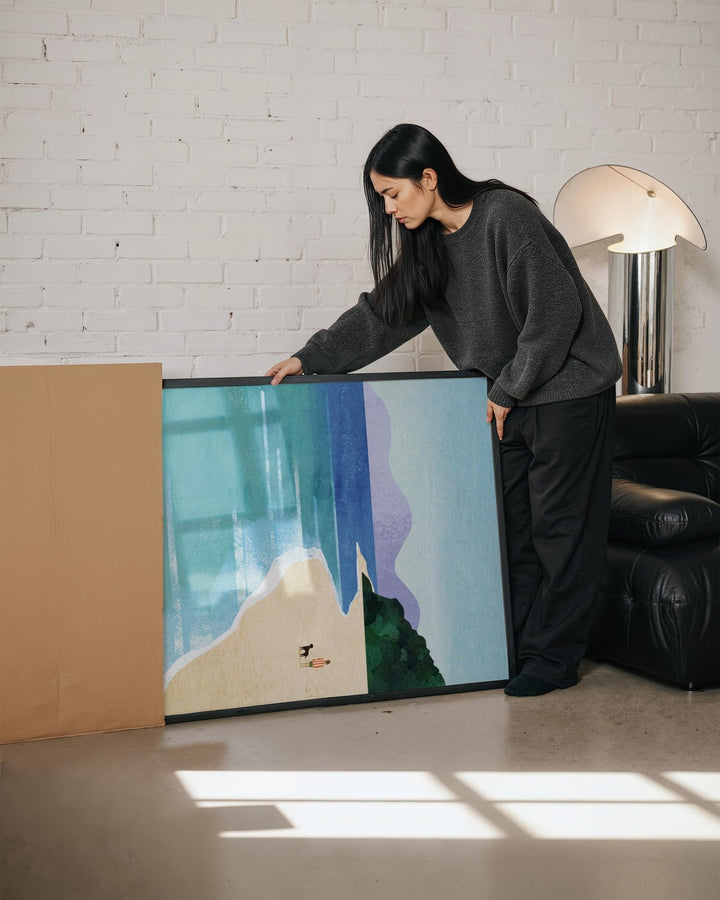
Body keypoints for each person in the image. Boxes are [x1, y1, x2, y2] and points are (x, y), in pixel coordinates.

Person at [265, 123, 622, 697]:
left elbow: (554, 315)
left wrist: (508, 389)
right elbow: (383, 315)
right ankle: (519, 650)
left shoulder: (505, 216)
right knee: (512, 532)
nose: (388, 210)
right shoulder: (428, 243)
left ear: (429, 178)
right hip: (507, 398)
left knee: (562, 532)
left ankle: (553, 661)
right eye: (380, 198)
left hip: (567, 389)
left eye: (393, 194)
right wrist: (311, 358)